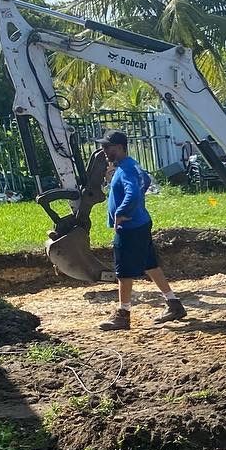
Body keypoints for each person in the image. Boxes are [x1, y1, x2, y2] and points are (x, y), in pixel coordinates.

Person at [97, 131, 187, 330]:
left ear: (120, 147)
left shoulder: (125, 169)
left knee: (123, 272)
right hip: (141, 223)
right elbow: (144, 181)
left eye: (107, 147)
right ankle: (174, 304)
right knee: (150, 265)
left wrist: (121, 212)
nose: (104, 151)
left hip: (129, 228)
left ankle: (123, 315)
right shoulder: (131, 165)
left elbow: (134, 191)